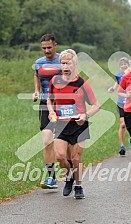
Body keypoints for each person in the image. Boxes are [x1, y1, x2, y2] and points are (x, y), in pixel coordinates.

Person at [47, 49, 100, 199]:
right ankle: (69, 176)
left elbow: (97, 104)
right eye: (62, 63)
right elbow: (49, 100)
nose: (65, 66)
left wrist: (86, 115)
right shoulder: (55, 81)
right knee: (60, 156)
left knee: (76, 158)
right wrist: (51, 112)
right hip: (61, 124)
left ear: (74, 64)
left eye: (68, 63)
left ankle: (78, 186)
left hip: (79, 125)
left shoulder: (82, 83)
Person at [32, 34, 62, 189]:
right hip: (45, 105)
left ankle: (70, 174)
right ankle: (51, 177)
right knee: (46, 141)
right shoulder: (39, 63)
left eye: (49, 47)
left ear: (55, 45)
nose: (46, 50)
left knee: (64, 144)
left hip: (63, 106)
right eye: (43, 48)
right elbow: (36, 76)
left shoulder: (63, 60)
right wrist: (36, 91)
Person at [108, 57, 131, 156]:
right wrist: (112, 89)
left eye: (125, 64)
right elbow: (117, 82)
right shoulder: (118, 75)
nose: (123, 66)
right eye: (121, 64)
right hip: (121, 102)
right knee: (122, 124)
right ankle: (122, 146)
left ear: (128, 64)